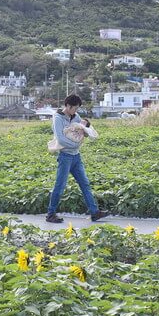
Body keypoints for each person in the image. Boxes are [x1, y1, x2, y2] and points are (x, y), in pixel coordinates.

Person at [46, 94, 109, 223]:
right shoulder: (58, 118)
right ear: (68, 106)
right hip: (65, 157)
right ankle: (50, 214)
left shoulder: (76, 117)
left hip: (76, 157)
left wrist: (86, 132)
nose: (76, 111)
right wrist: (76, 144)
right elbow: (60, 138)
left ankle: (94, 212)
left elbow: (82, 132)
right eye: (74, 108)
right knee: (60, 186)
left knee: (85, 184)